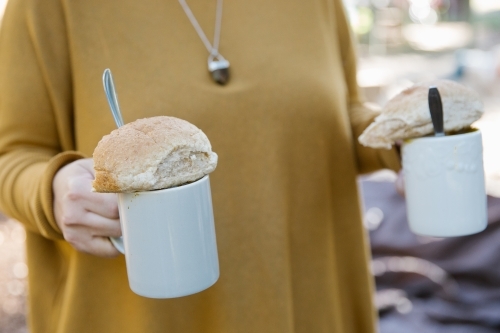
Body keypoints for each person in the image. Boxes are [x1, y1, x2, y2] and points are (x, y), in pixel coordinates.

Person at [0, 0, 400, 332]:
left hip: (312, 302)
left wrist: (400, 137)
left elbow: (340, 118)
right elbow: (11, 154)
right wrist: (52, 189)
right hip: (139, 318)